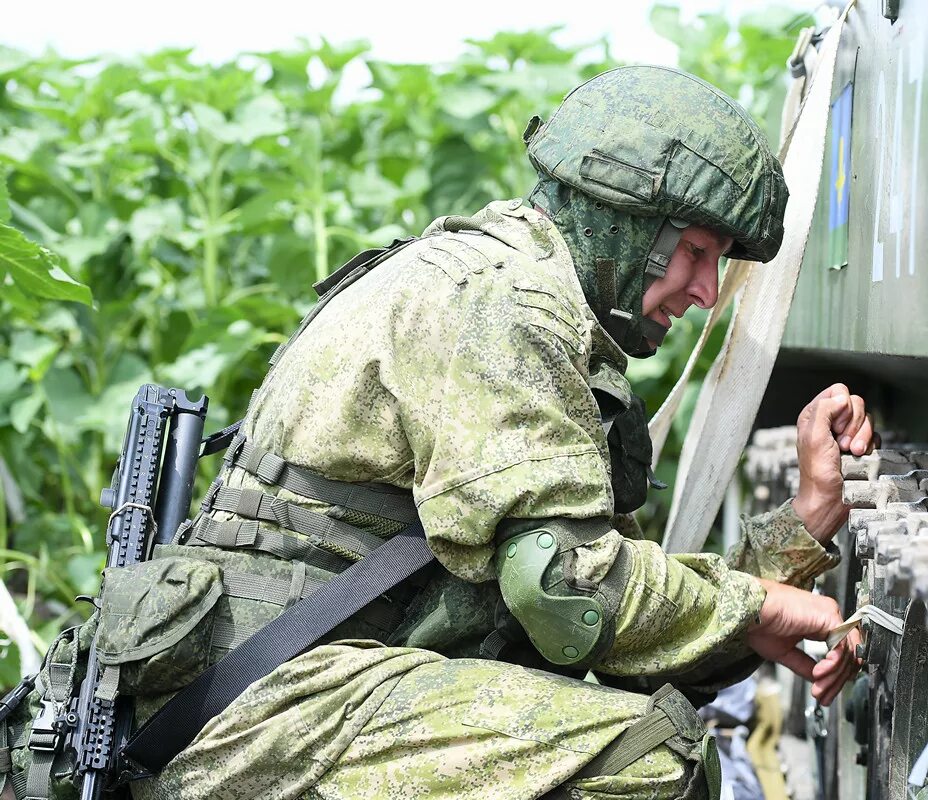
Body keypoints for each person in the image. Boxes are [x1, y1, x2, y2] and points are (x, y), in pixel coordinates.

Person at [115, 65, 873, 800]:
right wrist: (754, 606)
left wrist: (802, 526)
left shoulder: (507, 290)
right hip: (265, 709)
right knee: (642, 759)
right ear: (625, 221)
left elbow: (618, 628)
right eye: (697, 253)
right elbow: (575, 600)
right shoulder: (504, 305)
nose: (707, 292)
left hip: (296, 685)